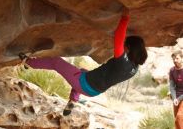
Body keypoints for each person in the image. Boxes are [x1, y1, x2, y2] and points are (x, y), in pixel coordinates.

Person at [19, 7, 148, 116]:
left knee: (55, 62)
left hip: (83, 83)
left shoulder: (122, 62)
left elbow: (118, 38)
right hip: (94, 91)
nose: (123, 46)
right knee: (81, 72)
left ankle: (28, 62)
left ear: (129, 48)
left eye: (125, 45)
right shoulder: (134, 69)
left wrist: (125, 18)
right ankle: (73, 101)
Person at [169, 50, 183, 129]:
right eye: (173, 59)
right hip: (176, 97)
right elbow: (172, 86)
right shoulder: (172, 70)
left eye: (177, 58)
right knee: (177, 120)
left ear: (182, 58)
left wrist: (178, 99)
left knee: (179, 117)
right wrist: (174, 98)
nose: (175, 60)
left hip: (181, 97)